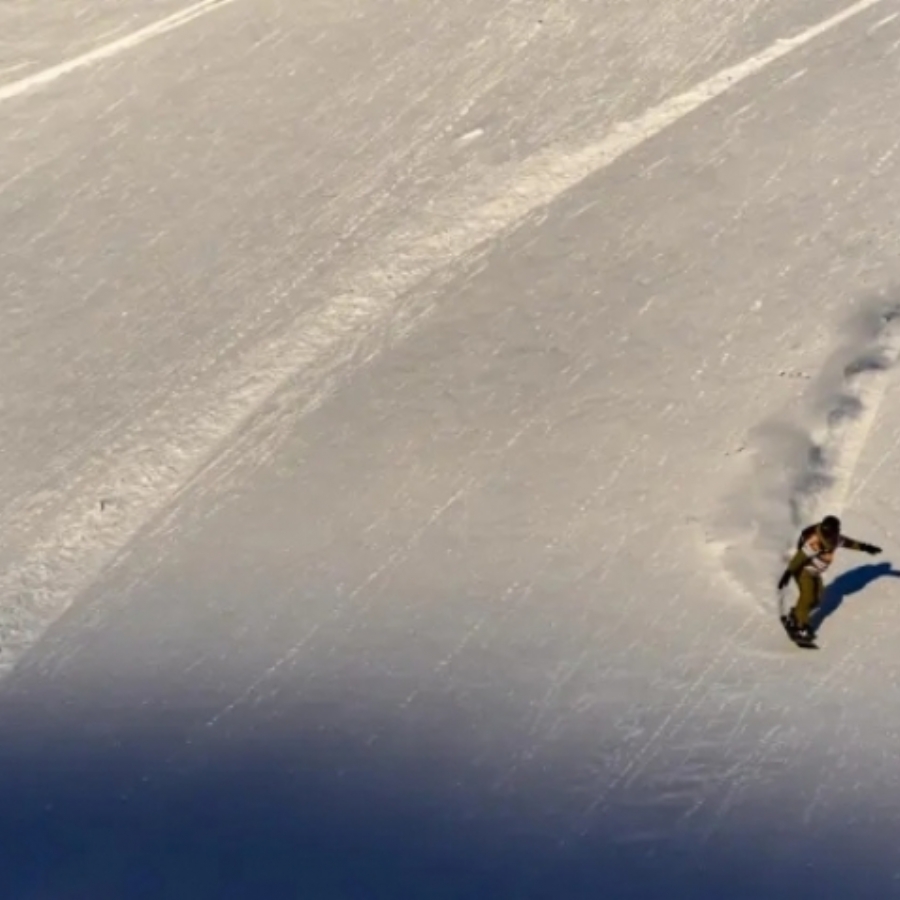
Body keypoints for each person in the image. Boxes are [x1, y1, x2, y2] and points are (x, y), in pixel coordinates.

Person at [778, 514, 881, 640]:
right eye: (827, 535)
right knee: (808, 596)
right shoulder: (815, 542)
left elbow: (849, 543)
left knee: (818, 598)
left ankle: (795, 615)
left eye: (832, 535)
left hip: (815, 572)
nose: (830, 538)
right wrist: (788, 573)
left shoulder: (835, 539)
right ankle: (799, 626)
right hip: (803, 571)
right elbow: (800, 557)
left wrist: (865, 547)